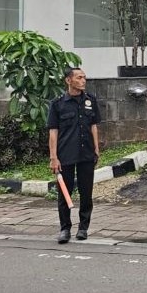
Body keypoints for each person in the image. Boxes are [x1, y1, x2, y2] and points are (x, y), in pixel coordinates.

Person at [47, 67, 101, 244]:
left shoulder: (90, 101)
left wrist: (96, 149)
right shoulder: (57, 104)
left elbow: (94, 126)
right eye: (79, 78)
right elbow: (53, 132)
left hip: (86, 153)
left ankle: (83, 228)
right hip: (65, 155)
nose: (83, 81)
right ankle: (65, 228)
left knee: (86, 193)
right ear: (68, 80)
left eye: (84, 77)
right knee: (65, 193)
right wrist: (54, 157)